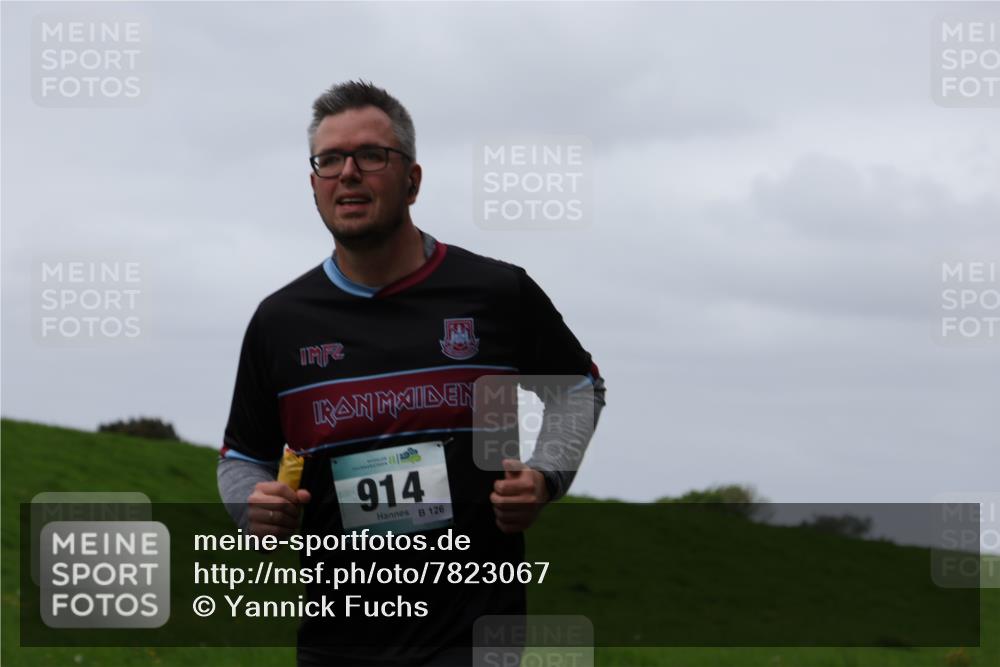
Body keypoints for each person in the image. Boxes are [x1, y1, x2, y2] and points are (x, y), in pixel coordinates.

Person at [218, 80, 605, 666]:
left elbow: (578, 389)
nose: (348, 173)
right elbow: (242, 459)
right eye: (329, 160)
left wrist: (547, 476)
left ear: (413, 180)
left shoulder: (496, 293)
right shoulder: (280, 321)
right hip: (339, 643)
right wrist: (254, 507)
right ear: (314, 183)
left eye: (371, 155)